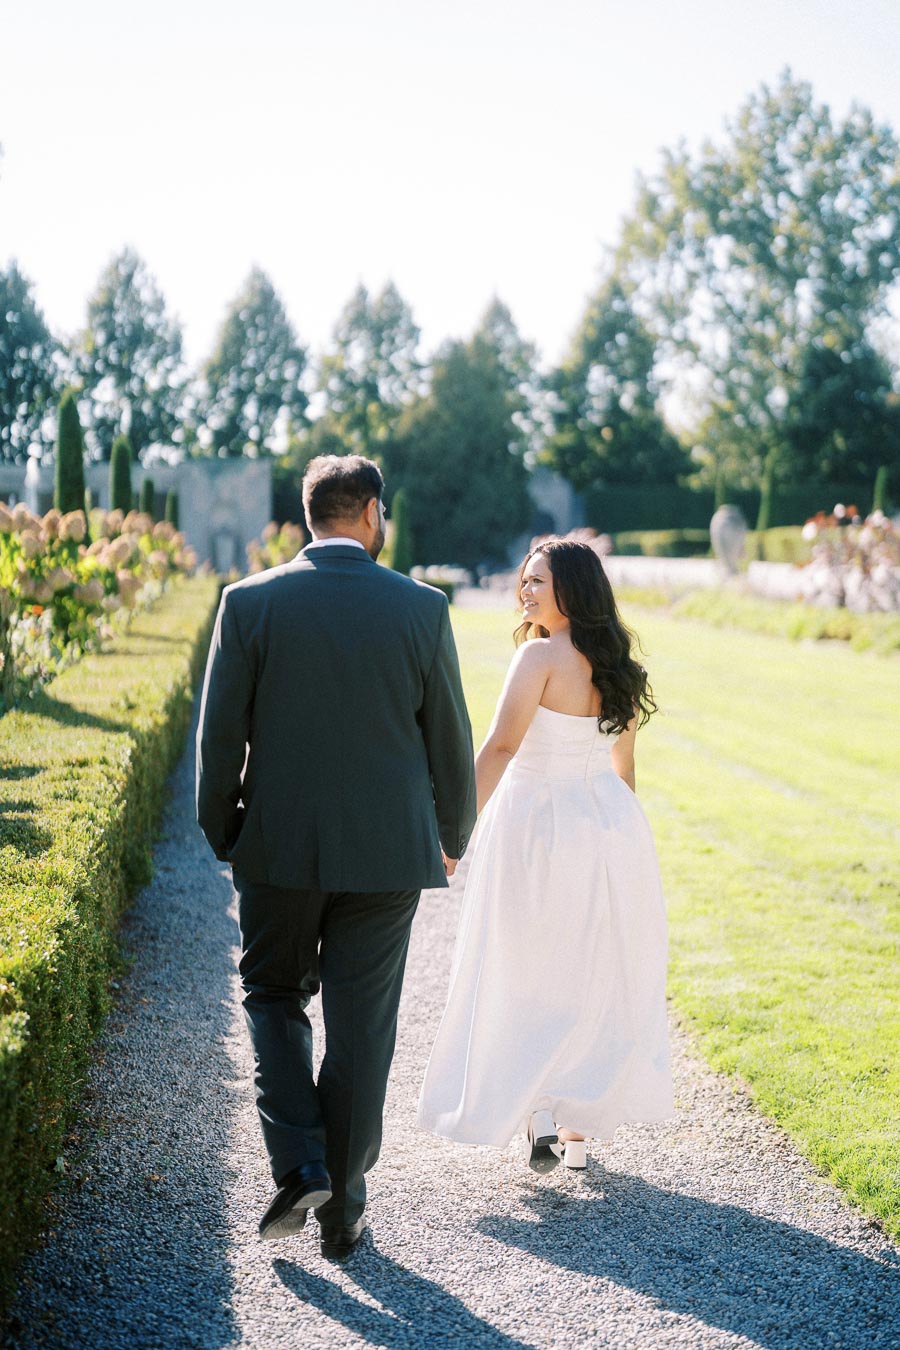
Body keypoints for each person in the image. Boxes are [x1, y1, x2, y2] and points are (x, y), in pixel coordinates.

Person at [197, 455, 476, 1257]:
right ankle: (343, 1207)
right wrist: (453, 834)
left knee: (273, 993)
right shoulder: (422, 609)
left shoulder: (248, 603)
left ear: (309, 515)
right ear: (371, 513)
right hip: (388, 856)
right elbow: (448, 738)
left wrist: (224, 830)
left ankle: (301, 1163)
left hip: (278, 848)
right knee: (361, 1033)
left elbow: (220, 741)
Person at [418, 538, 673, 1171]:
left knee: (527, 963)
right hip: (608, 825)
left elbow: (501, 749)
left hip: (537, 826)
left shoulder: (539, 657)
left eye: (538, 581)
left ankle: (537, 1108)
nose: (525, 591)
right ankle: (577, 1120)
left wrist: (454, 833)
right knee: (591, 966)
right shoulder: (616, 664)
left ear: (572, 591)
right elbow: (623, 764)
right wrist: (625, 842)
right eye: (524, 580)